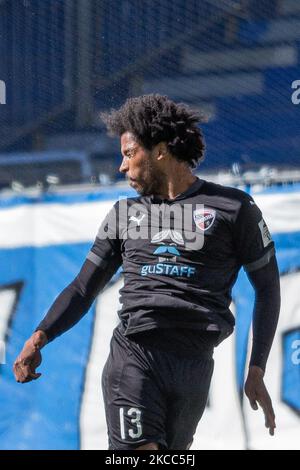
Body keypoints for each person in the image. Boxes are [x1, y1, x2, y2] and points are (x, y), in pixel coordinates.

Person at [13, 94, 280, 450]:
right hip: (135, 356)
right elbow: (82, 288)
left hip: (195, 365)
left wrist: (257, 368)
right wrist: (39, 336)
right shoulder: (124, 215)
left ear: (159, 150)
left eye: (128, 154)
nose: (122, 167)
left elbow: (268, 289)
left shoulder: (234, 208)